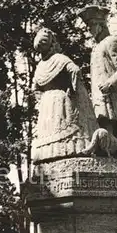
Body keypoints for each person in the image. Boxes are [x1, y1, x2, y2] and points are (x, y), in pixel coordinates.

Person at [32, 28, 97, 163]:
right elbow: (75, 70)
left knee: (61, 131)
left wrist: (41, 99)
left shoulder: (49, 62)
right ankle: (61, 153)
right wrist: (73, 88)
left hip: (50, 103)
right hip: (57, 101)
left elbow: (35, 88)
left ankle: (56, 154)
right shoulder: (57, 59)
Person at [77, 5, 117, 140]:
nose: (89, 30)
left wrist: (110, 83)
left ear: (100, 25)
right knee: (100, 129)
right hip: (97, 97)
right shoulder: (95, 48)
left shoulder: (111, 41)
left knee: (108, 130)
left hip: (110, 95)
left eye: (90, 26)